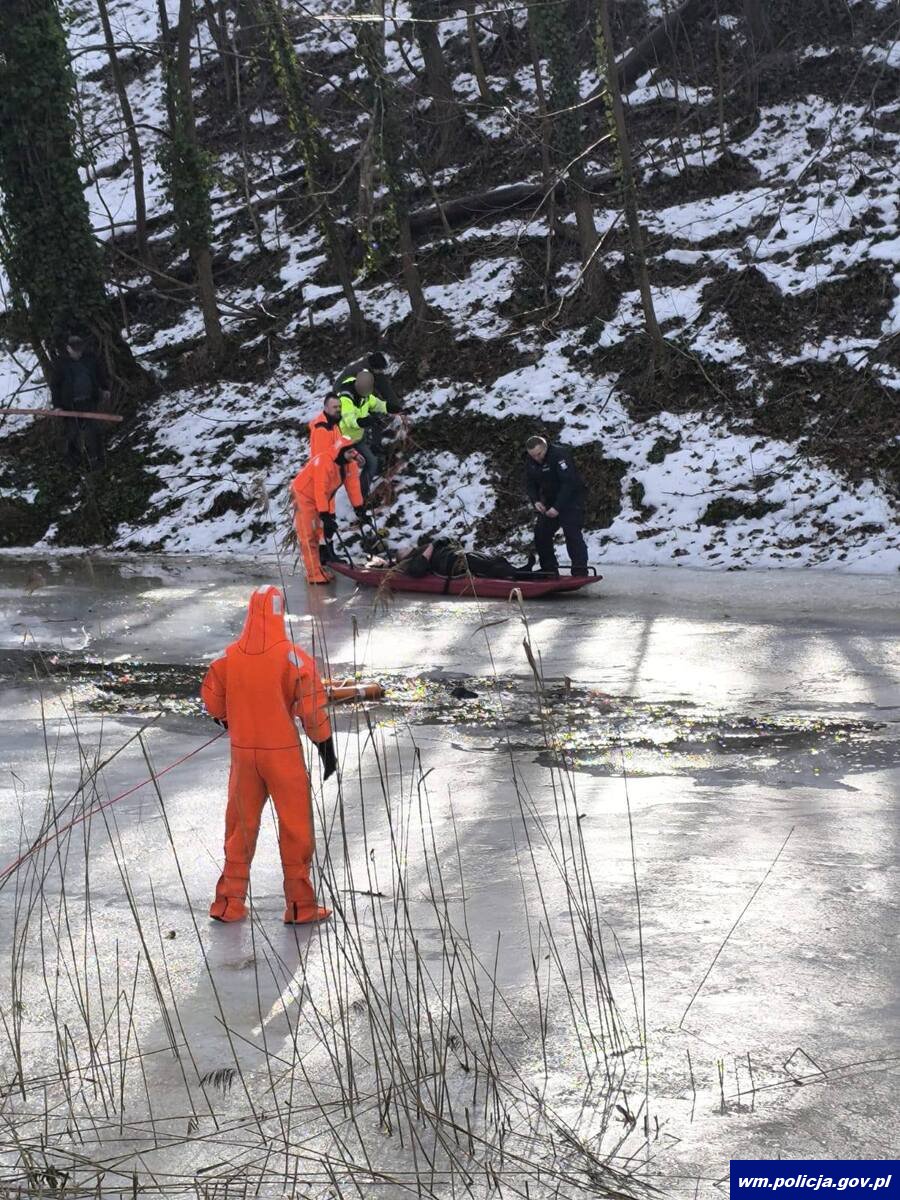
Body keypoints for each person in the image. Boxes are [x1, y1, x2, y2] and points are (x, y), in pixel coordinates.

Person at [200, 584, 336, 925]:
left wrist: (226, 717)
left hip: (244, 756)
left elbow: (212, 699)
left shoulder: (229, 657)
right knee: (295, 826)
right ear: (279, 613)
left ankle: (228, 903)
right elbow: (312, 710)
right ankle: (300, 906)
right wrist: (326, 749)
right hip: (282, 756)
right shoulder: (293, 657)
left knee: (239, 827)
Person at [290, 437, 365, 585]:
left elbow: (353, 487)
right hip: (304, 496)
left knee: (318, 533)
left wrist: (359, 508)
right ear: (341, 452)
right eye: (350, 452)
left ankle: (319, 569)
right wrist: (325, 513)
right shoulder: (323, 462)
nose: (354, 455)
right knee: (308, 535)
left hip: (321, 497)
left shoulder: (349, 464)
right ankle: (313, 574)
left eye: (354, 451)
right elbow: (320, 489)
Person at [524, 436, 589, 577]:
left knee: (572, 533)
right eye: (533, 455)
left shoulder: (559, 455)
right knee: (541, 533)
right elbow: (530, 483)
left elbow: (569, 483)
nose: (536, 458)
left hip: (570, 500)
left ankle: (580, 570)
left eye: (539, 454)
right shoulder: (531, 460)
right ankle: (549, 569)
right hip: (549, 500)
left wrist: (557, 507)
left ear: (545, 447)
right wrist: (536, 501)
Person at [49, 334, 112, 469]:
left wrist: (105, 388)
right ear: (68, 348)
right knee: (72, 433)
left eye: (79, 349)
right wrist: (57, 406)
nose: (78, 352)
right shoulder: (61, 364)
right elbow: (55, 386)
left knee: (93, 431)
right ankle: (72, 461)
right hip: (70, 405)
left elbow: (100, 375)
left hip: (89, 401)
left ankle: (97, 460)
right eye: (75, 350)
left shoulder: (90, 359)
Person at [373, 536, 522, 581]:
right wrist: (433, 545)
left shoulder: (419, 550)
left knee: (493, 560)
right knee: (488, 566)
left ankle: (520, 570)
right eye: (402, 550)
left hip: (457, 555)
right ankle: (519, 575)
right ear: (403, 557)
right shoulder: (412, 561)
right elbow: (417, 570)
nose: (405, 547)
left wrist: (443, 541)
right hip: (452, 564)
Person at [337, 369, 389, 495]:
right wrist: (365, 421)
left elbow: (377, 404)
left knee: (371, 462)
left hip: (357, 438)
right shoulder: (345, 399)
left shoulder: (365, 396)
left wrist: (393, 408)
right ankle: (359, 495)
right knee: (363, 465)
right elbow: (349, 420)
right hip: (344, 441)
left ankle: (361, 493)